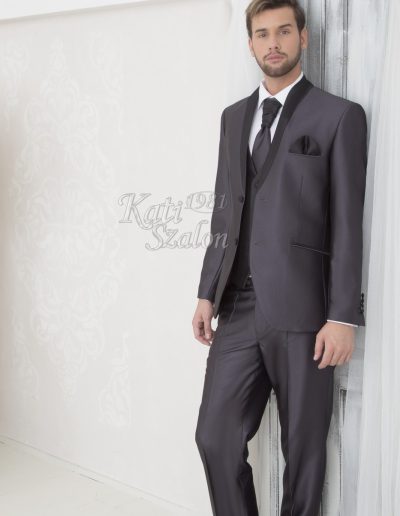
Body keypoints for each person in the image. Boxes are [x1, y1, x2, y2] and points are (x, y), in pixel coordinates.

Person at [192, 1, 367, 515]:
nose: (273, 43)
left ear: (303, 38)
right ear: (250, 44)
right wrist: (207, 292)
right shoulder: (233, 118)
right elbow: (224, 211)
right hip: (238, 308)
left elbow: (348, 223)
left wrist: (342, 317)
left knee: (304, 455)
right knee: (215, 436)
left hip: (307, 314)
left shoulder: (339, 116)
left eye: (284, 31)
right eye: (263, 34)